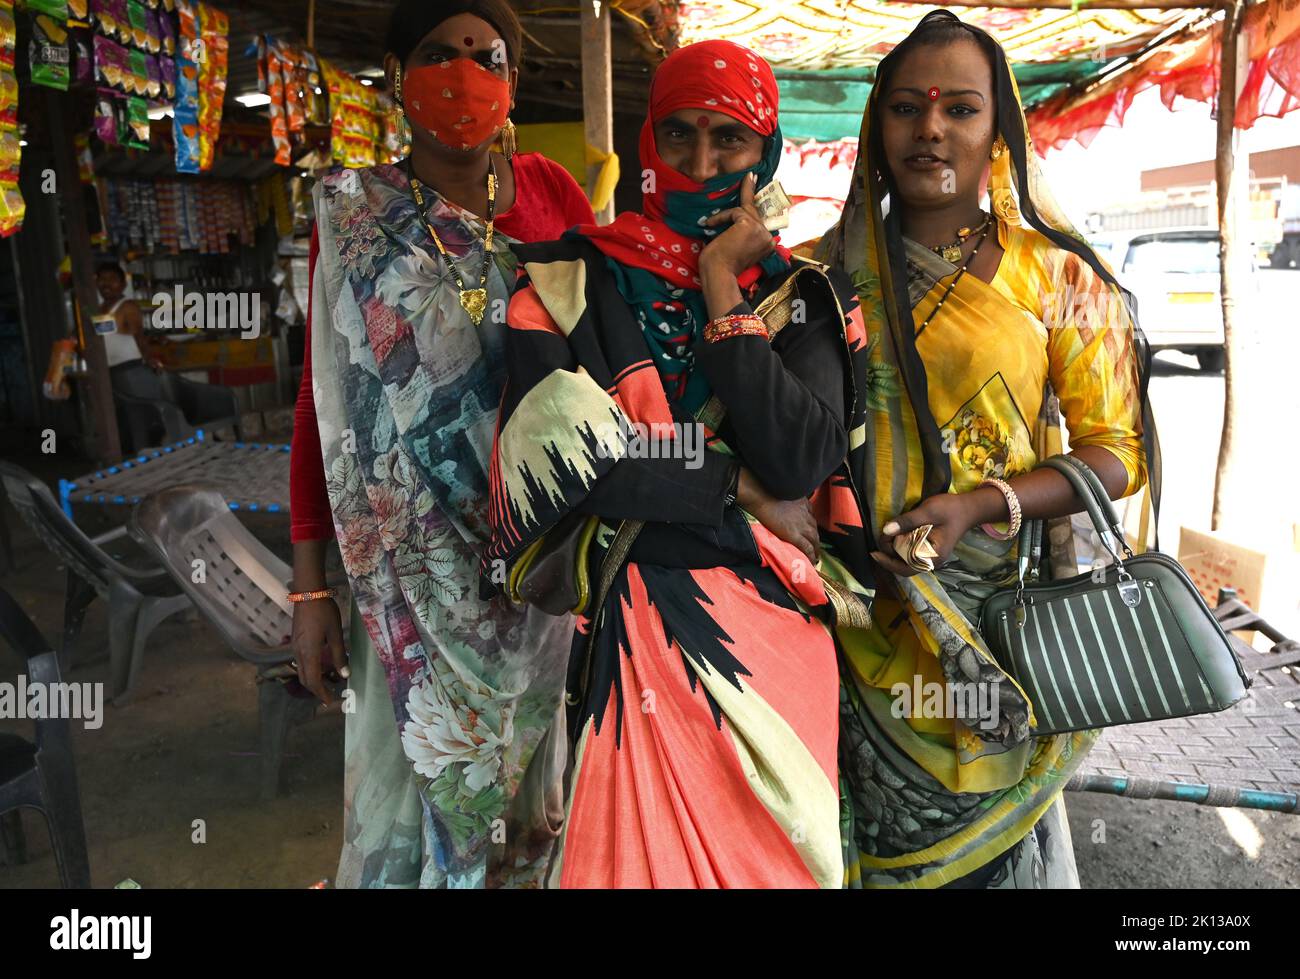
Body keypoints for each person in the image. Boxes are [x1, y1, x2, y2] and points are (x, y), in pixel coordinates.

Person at [482, 39, 876, 888]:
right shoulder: (570, 278)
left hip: (773, 650)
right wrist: (733, 485)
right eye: (680, 134)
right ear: (649, 139)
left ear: (763, 153)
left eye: (729, 139)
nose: (701, 161)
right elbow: (575, 457)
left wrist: (722, 288)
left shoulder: (804, 297)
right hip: (634, 634)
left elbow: (804, 456)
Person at [817, 9, 1154, 888]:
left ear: (998, 129)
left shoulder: (1064, 277)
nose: (929, 128)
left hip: (1001, 628)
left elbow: (1118, 452)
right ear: (876, 126)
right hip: (861, 628)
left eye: (959, 109)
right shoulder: (824, 271)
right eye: (906, 108)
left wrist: (980, 504)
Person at [288, 0, 595, 889]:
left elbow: (605, 365)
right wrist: (310, 587)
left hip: (536, 561)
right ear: (394, 72)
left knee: (536, 816)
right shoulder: (353, 217)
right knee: (407, 793)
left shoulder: (552, 195)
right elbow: (323, 410)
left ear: (510, 82)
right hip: (405, 575)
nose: (464, 75)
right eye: (438, 53)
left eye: (487, 57)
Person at [95, 262, 156, 369]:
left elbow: (140, 336)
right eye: (102, 279)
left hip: (131, 367)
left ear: (123, 285)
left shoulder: (128, 307)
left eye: (113, 280)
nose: (106, 284)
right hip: (110, 369)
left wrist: (149, 359)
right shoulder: (100, 309)